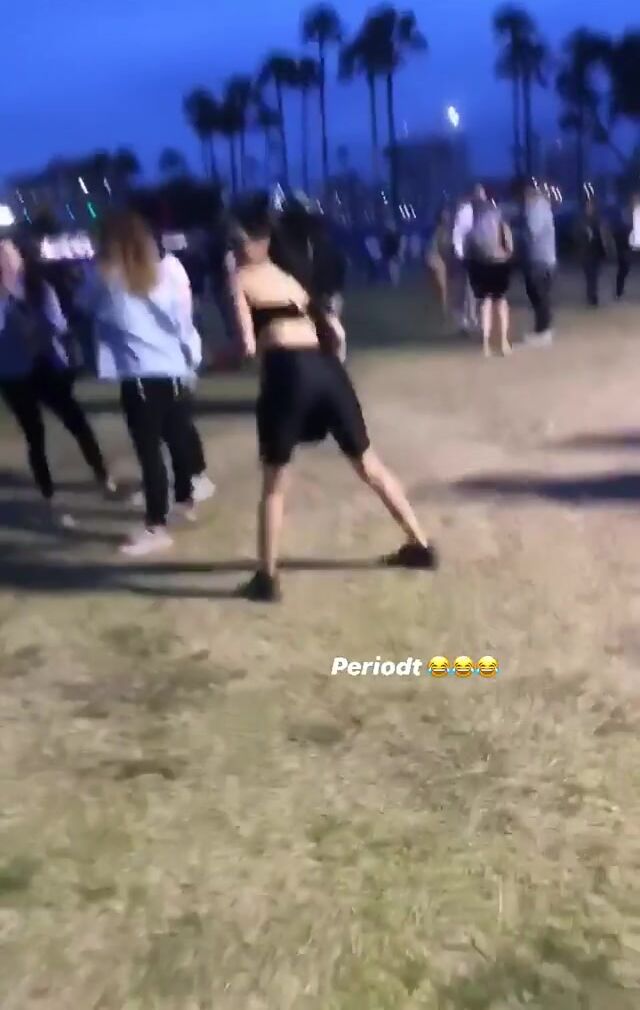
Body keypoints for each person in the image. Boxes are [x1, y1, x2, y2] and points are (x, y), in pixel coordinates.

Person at [226, 196, 438, 603]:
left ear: (255, 242)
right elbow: (335, 334)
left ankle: (266, 579)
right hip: (327, 370)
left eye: (236, 242)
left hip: (287, 373)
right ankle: (420, 544)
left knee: (274, 484)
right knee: (369, 465)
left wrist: (223, 360)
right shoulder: (291, 279)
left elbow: (248, 347)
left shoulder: (240, 279)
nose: (234, 249)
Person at [92, 212, 204, 557]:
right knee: (178, 439)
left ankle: (156, 525)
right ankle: (184, 499)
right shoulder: (161, 278)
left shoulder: (109, 285)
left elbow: (90, 313)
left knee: (150, 454)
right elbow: (184, 326)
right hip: (174, 372)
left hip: (141, 378)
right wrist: (191, 362)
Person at [0, 239, 115, 528]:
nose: (6, 262)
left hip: (47, 368)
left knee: (76, 422)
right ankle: (48, 494)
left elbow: (57, 325)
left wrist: (35, 330)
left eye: (10, 255)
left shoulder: (38, 288)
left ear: (21, 258)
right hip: (13, 375)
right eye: (1, 258)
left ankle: (102, 475)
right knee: (34, 435)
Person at [466, 200, 514, 357]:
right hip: (500, 264)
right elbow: (510, 246)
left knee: (485, 304)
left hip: (481, 265)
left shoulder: (476, 223)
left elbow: (469, 247)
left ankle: (485, 345)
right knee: (501, 303)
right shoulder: (501, 222)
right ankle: (503, 342)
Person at [522, 183, 557, 347]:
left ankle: (543, 332)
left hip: (540, 259)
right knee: (541, 296)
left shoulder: (536, 209)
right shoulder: (545, 207)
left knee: (538, 296)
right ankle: (543, 329)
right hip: (546, 258)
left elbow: (532, 231)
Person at [453, 184, 487, 332]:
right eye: (479, 194)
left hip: (481, 254)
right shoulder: (465, 211)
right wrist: (460, 253)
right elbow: (458, 232)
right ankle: (468, 318)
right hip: (469, 254)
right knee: (469, 289)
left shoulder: (483, 211)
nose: (482, 197)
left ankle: (473, 317)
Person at [577, 199, 611, 307]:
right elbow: (577, 236)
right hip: (586, 253)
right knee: (590, 276)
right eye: (588, 206)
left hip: (595, 253)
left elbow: (603, 236)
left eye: (591, 206)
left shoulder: (597, 220)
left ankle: (592, 296)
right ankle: (592, 296)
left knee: (593, 276)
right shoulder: (582, 221)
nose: (589, 208)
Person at [426, 206, 454, 319]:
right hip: (436, 258)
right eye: (446, 216)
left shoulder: (437, 229)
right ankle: (443, 312)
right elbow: (443, 246)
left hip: (431, 258)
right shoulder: (442, 231)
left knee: (436, 287)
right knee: (442, 288)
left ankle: (436, 310)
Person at [614, 193, 640, 300]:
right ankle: (619, 292)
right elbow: (621, 230)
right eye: (635, 200)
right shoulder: (626, 212)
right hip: (627, 246)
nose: (636, 202)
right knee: (623, 269)